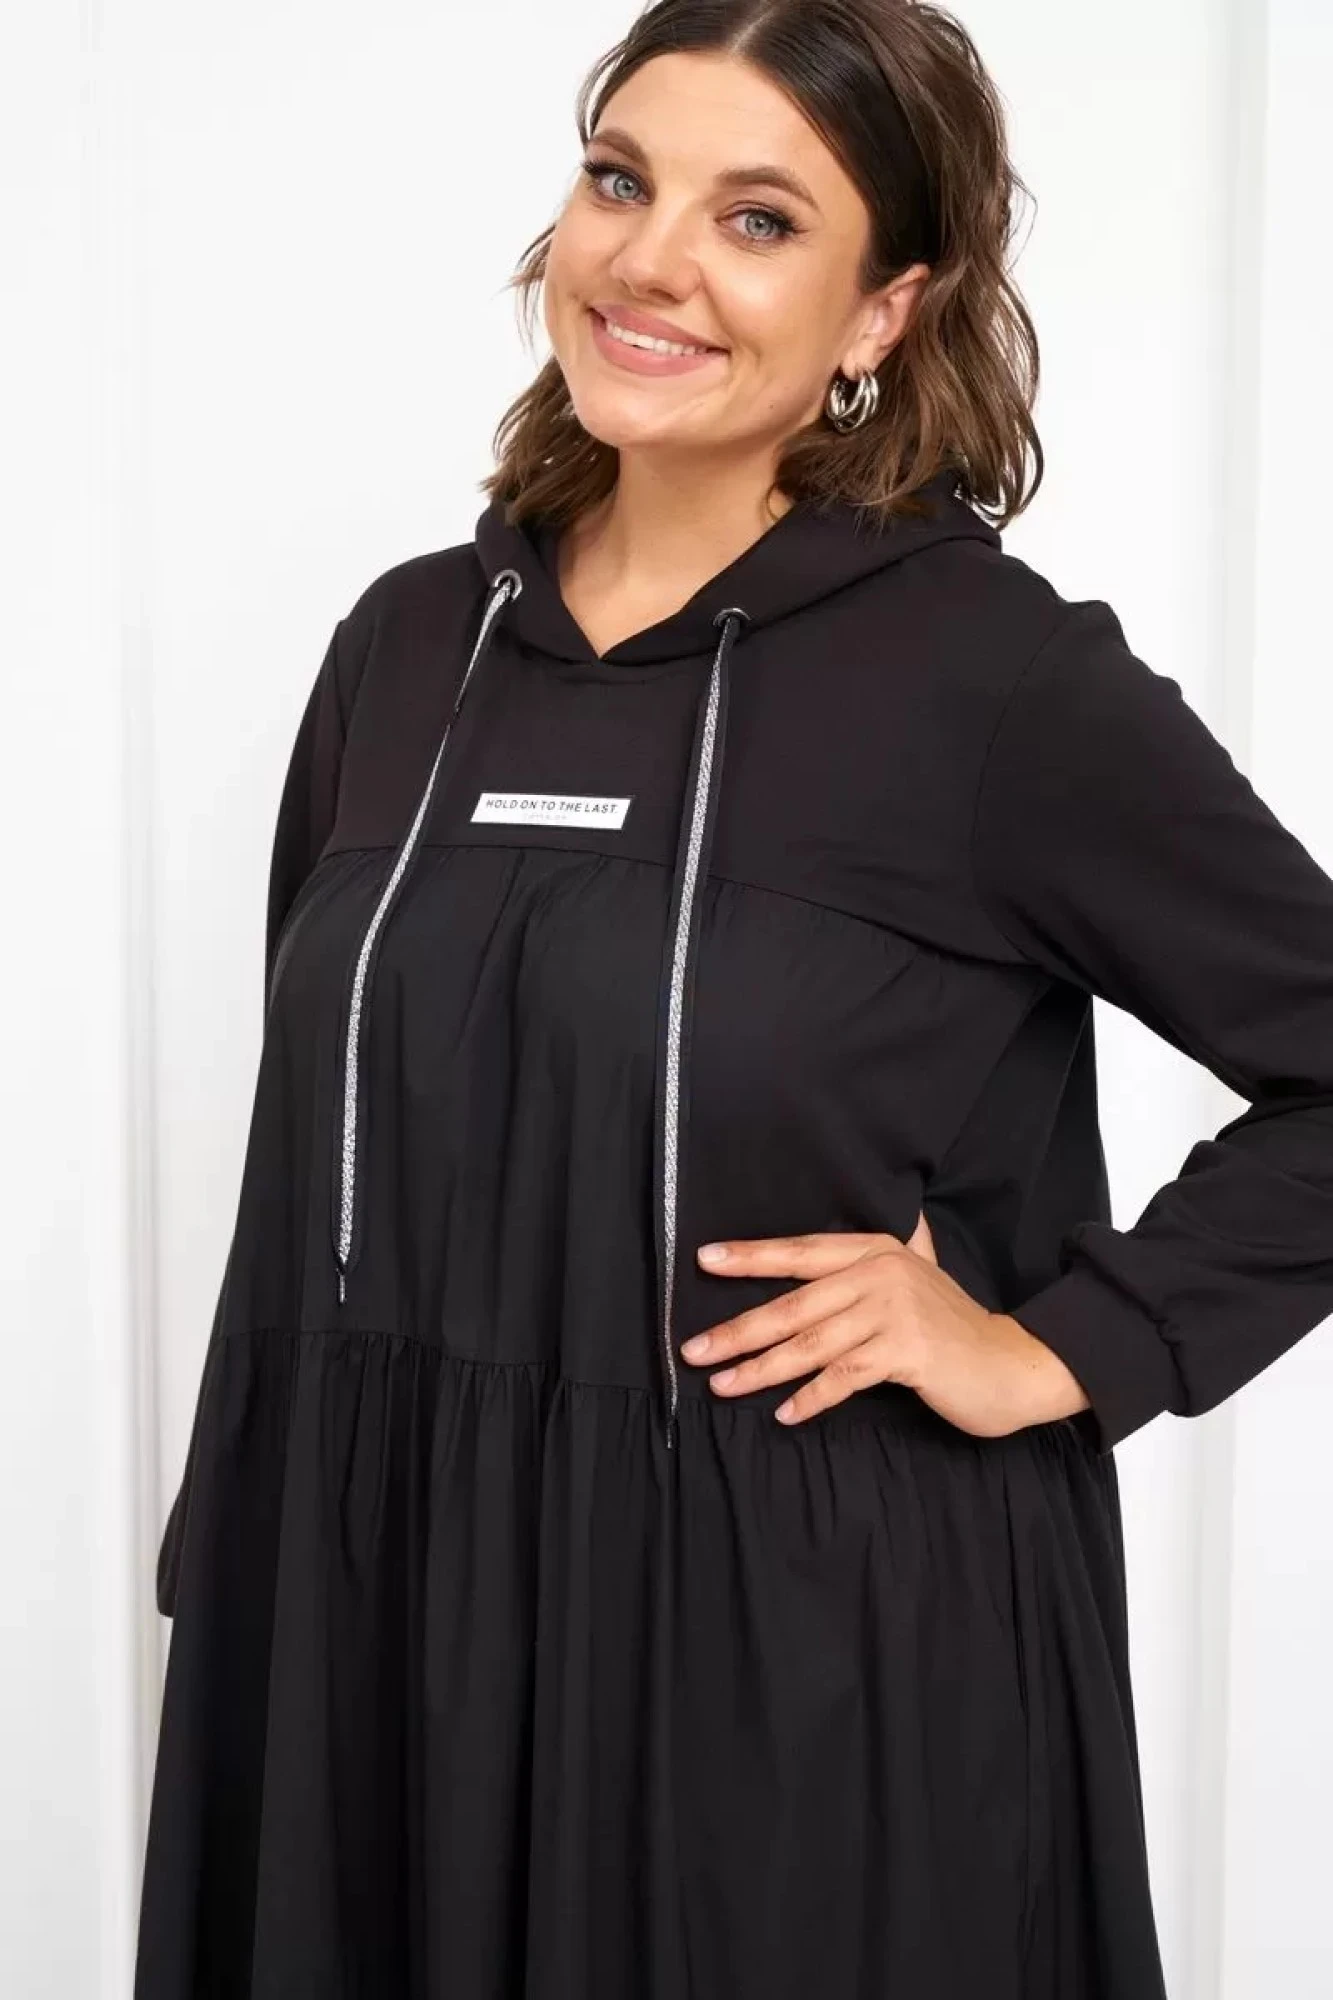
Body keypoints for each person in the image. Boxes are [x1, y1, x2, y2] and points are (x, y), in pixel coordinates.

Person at [132, 3, 1333, 1996]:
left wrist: (1065, 1345)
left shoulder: (997, 686)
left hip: (789, 1666)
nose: (653, 260)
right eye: (623, 180)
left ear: (886, 309)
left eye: (759, 219)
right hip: (378, 1629)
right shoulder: (409, 648)